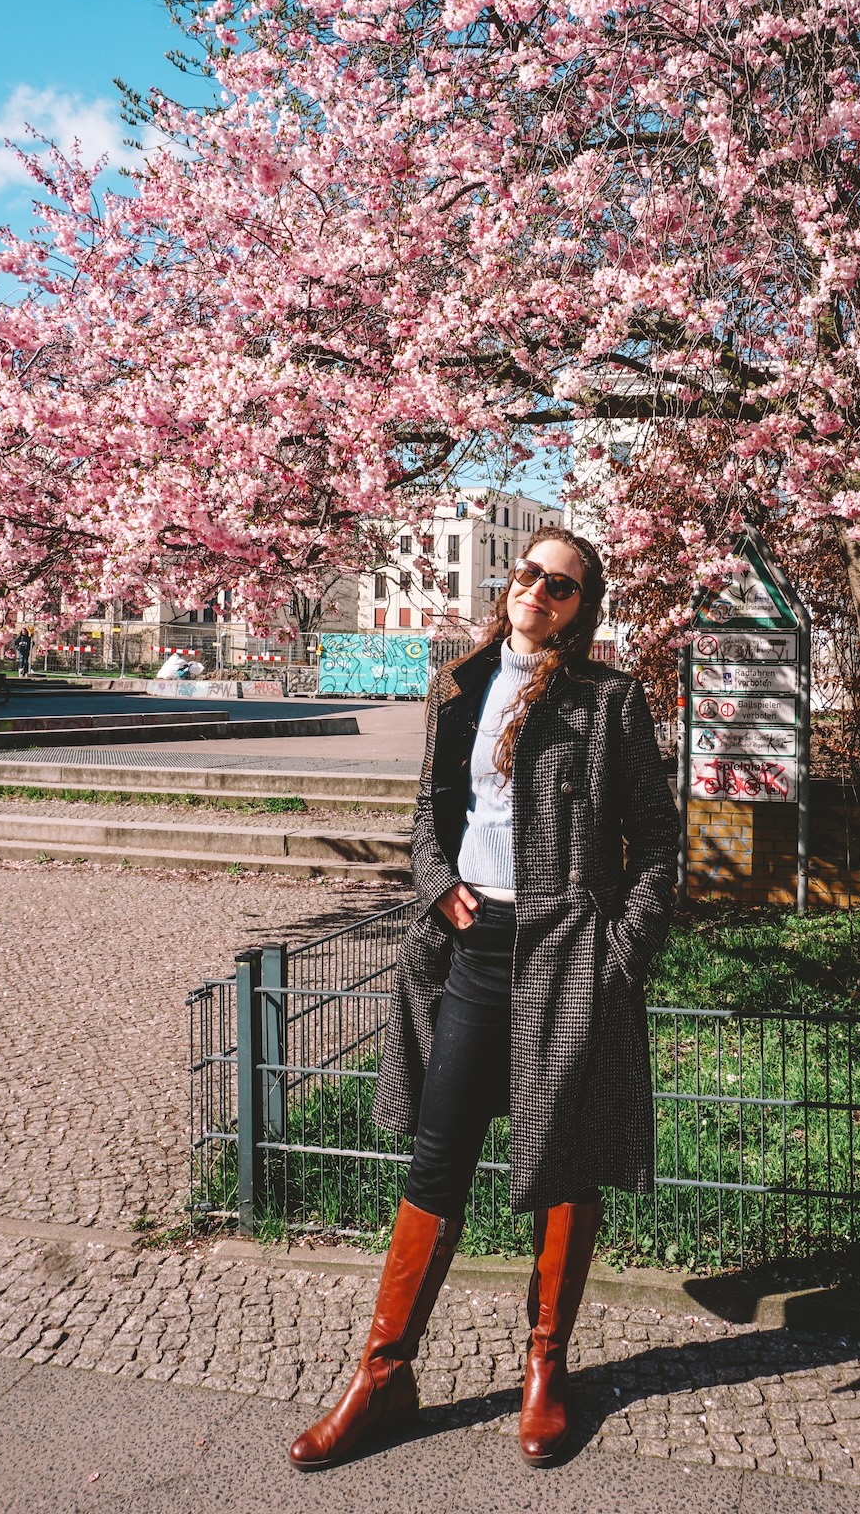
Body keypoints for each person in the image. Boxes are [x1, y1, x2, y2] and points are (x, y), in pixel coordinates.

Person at [289, 527, 679, 1472]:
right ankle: (384, 1373)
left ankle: (547, 1370)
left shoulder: (608, 700)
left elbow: (660, 844)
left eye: (563, 585)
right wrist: (434, 883)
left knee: (565, 1157)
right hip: (474, 949)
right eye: (530, 574)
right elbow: (432, 812)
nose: (539, 591)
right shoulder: (458, 684)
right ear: (511, 584)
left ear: (585, 609)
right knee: (438, 1155)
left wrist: (617, 954)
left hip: (570, 957)